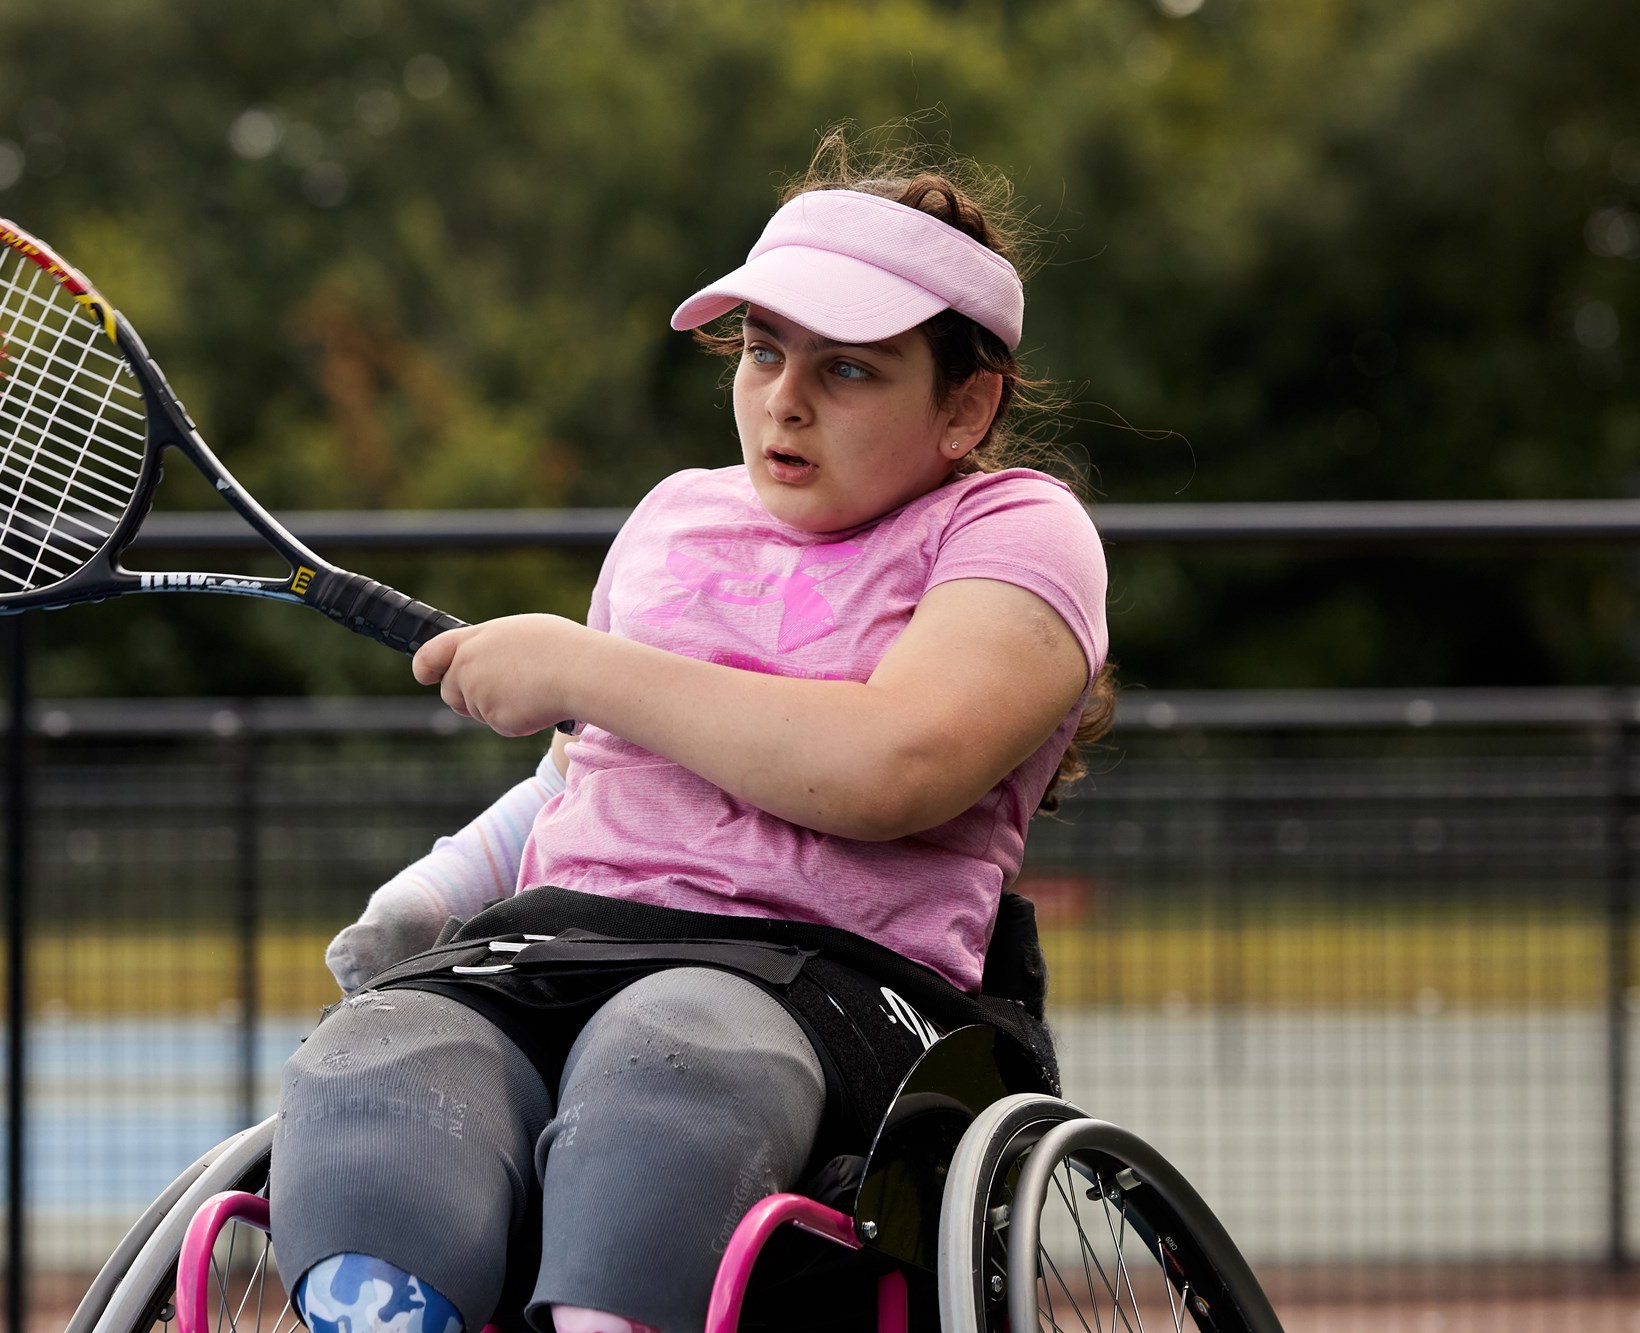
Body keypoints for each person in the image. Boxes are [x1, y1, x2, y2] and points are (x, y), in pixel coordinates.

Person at [270, 134, 1115, 1333]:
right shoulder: (674, 514)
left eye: (851, 370)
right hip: (557, 942)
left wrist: (581, 663)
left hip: (824, 980)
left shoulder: (1016, 529)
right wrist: (431, 891)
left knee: (666, 1046)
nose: (783, 398)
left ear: (965, 403)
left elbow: (892, 766)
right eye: (764, 351)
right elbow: (588, 775)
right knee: (379, 1053)